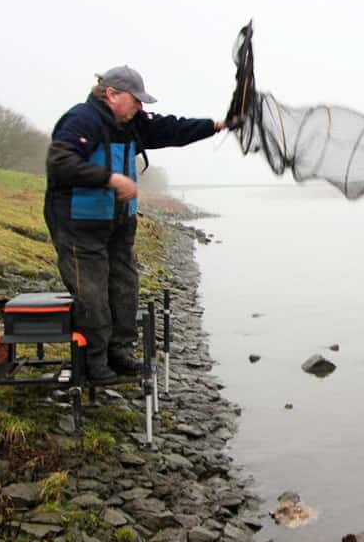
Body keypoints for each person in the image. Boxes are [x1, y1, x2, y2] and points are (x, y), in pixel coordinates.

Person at [44, 66, 227, 381]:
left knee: (125, 289)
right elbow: (60, 163)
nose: (141, 107)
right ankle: (93, 363)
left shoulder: (132, 123)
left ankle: (120, 353)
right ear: (112, 94)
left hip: (118, 226)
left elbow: (173, 130)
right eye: (136, 100)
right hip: (78, 227)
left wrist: (216, 125)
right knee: (92, 297)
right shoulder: (81, 119)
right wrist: (110, 178)